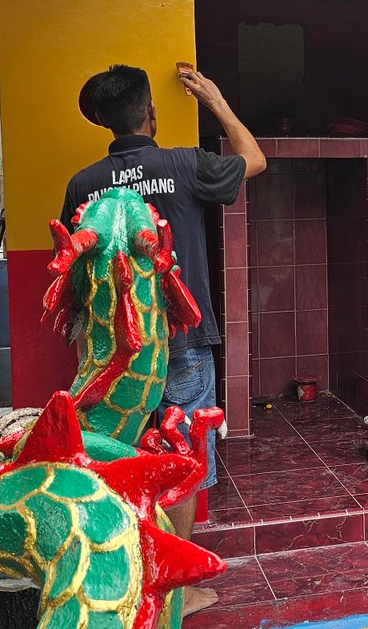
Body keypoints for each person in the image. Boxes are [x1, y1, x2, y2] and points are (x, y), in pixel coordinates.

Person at [62, 63, 266, 615]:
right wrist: (217, 101)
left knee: (121, 459)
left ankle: (123, 578)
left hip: (112, 353)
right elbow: (256, 161)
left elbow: (76, 274)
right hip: (180, 343)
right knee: (179, 463)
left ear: (103, 121)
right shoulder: (182, 165)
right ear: (150, 111)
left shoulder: (83, 184)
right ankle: (175, 590)